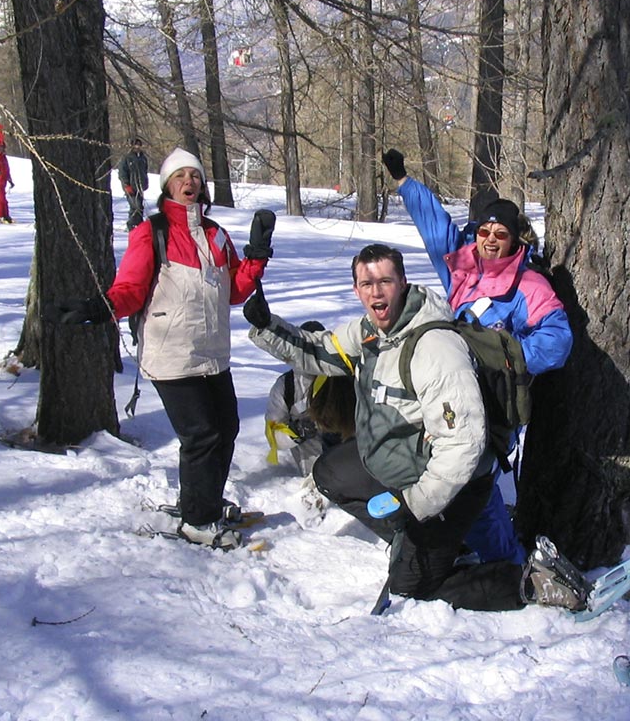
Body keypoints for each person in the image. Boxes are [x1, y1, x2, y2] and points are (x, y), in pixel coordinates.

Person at [243, 243, 586, 612]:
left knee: (411, 590)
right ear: (356, 290)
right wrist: (266, 326)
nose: (376, 291)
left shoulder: (434, 347)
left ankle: (533, 583)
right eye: (366, 283)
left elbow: (464, 446)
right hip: (400, 466)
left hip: (448, 486)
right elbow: (322, 351)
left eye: (385, 280)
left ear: (403, 283)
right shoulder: (371, 333)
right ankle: (433, 546)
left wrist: (417, 506)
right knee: (330, 472)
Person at [53, 148, 275, 550]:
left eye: (194, 176)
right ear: (168, 187)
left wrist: (256, 257)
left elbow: (234, 292)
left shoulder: (215, 234)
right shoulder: (152, 232)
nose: (189, 182)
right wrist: (100, 308)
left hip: (212, 354)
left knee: (226, 430)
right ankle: (197, 521)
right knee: (201, 436)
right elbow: (131, 289)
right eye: (180, 177)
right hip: (171, 353)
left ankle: (203, 500)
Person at [382, 148, 573, 566]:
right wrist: (404, 183)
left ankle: (508, 565)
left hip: (494, 401)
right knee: (442, 466)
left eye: (499, 234)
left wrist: (506, 356)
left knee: (474, 481)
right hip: (453, 390)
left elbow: (558, 341)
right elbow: (435, 228)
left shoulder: (528, 284)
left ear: (513, 240)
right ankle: (451, 536)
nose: (489, 239)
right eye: (484, 230)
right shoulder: (463, 267)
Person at [264, 320, 339, 476]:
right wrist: (296, 431)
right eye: (306, 348)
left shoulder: (341, 377)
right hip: (313, 472)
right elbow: (273, 437)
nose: (311, 355)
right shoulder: (286, 387)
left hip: (348, 458)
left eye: (317, 349)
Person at [118, 138, 149, 230]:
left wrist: (145, 183)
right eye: (136, 145)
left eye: (139, 145)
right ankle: (131, 225)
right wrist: (126, 185)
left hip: (140, 187)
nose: (138, 147)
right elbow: (122, 173)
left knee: (140, 207)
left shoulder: (143, 158)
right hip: (130, 187)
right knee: (135, 206)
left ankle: (139, 225)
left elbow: (144, 171)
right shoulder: (127, 158)